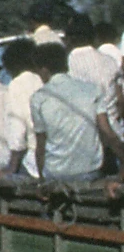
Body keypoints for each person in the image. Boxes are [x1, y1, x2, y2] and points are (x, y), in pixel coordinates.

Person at [30, 43, 124, 182]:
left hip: (55, 173)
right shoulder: (92, 90)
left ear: (43, 70)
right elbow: (107, 132)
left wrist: (42, 180)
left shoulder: (39, 98)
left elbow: (41, 146)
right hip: (90, 172)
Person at [66, 13, 124, 172]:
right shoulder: (110, 61)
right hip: (115, 137)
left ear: (69, 39)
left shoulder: (69, 63)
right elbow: (120, 101)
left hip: (86, 141)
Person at [2, 38, 43, 177]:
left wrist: (12, 167)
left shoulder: (17, 85)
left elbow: (17, 129)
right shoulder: (41, 79)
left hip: (33, 159)